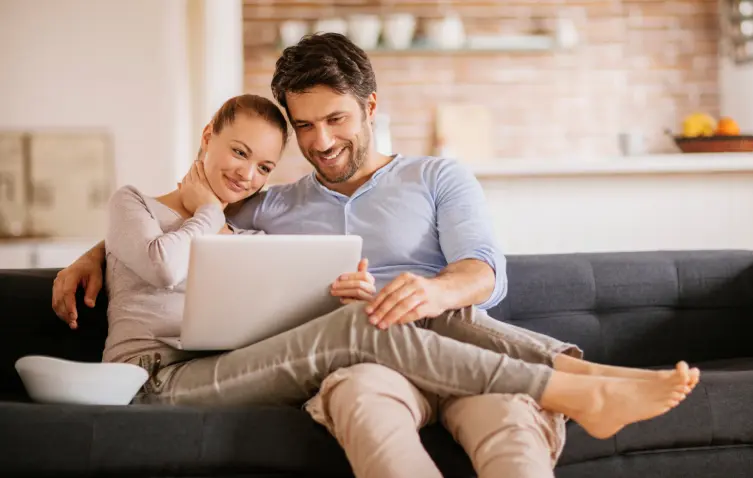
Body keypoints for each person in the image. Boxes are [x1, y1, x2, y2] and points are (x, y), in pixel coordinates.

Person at [53, 35, 699, 477]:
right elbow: (185, 215)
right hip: (361, 360)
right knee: (368, 369)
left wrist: (434, 291)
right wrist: (101, 256)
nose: (321, 140)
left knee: (506, 424)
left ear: (369, 108)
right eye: (303, 127)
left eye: (334, 120)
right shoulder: (272, 203)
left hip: (454, 338)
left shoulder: (437, 176)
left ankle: (587, 384)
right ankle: (584, 381)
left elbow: (483, 271)